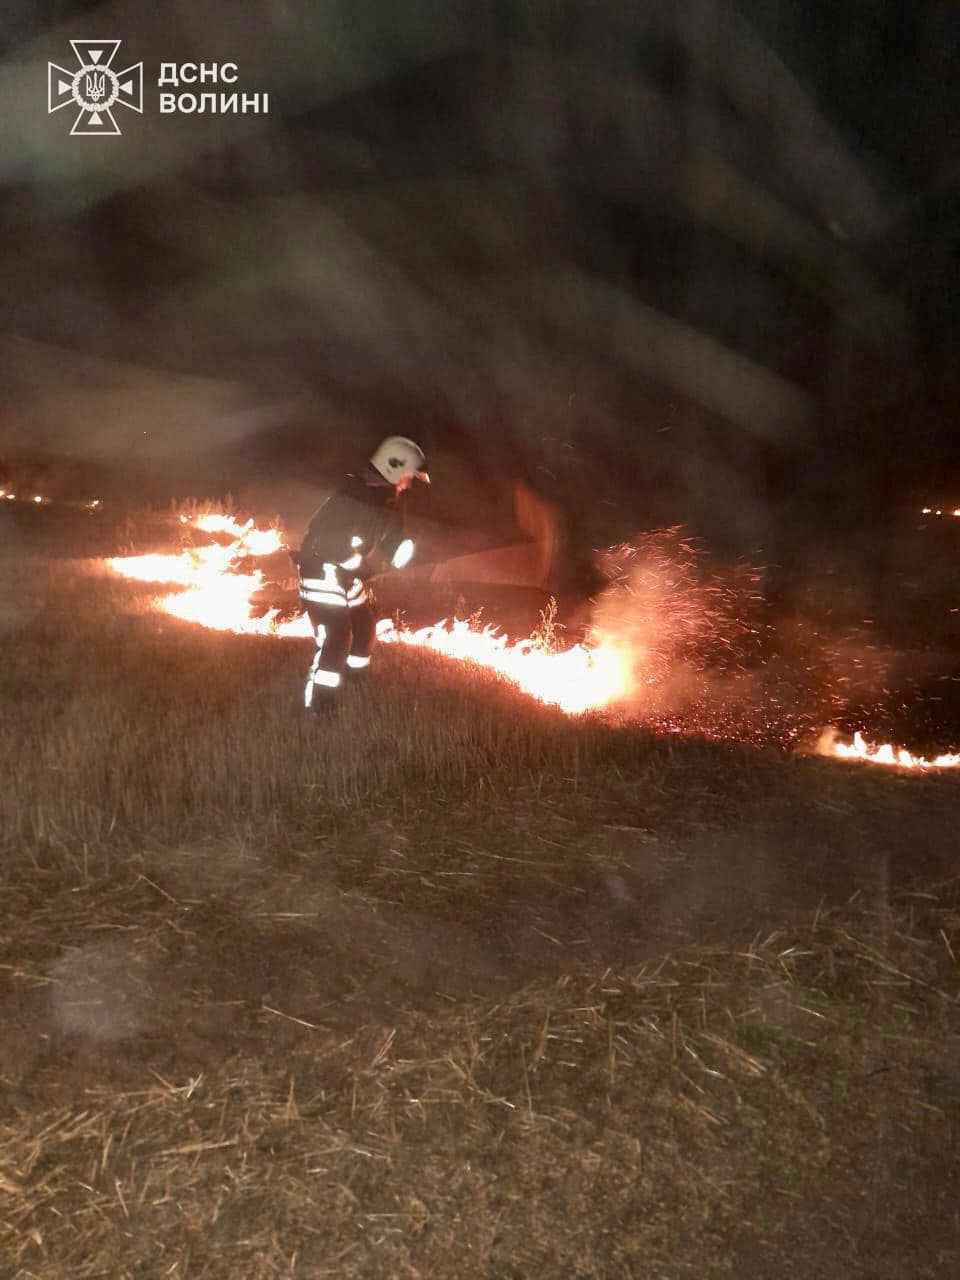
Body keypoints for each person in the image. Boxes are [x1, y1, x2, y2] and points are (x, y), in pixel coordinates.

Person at [292, 436, 429, 714]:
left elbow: (389, 535)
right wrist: (361, 568)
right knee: (336, 636)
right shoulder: (354, 494)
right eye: (409, 476)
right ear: (393, 468)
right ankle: (319, 705)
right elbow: (331, 543)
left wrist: (400, 550)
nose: (409, 484)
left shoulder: (386, 499)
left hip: (345, 571)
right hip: (321, 568)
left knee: (364, 625)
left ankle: (357, 681)